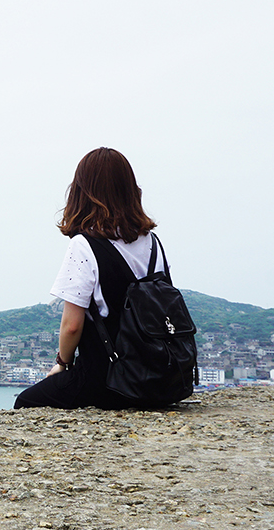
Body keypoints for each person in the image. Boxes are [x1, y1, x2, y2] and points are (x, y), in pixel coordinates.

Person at [14, 146, 167, 410]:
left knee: (27, 401)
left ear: (82, 192)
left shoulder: (85, 245)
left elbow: (72, 325)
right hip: (157, 376)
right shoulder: (153, 242)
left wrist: (62, 364)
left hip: (110, 379)